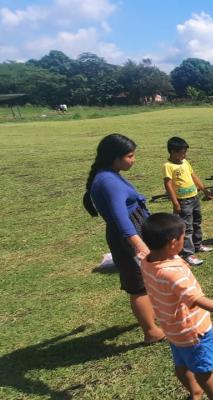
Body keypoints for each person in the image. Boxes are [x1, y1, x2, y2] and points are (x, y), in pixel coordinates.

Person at [140, 213, 213, 400]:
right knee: (204, 371)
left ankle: (194, 392)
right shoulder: (171, 274)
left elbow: (142, 251)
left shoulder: (146, 262)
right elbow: (197, 299)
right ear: (173, 243)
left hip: (172, 330)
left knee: (181, 366)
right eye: (183, 236)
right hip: (193, 332)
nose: (184, 240)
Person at [83, 133, 165, 344]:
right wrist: (138, 244)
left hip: (134, 229)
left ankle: (152, 318)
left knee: (146, 278)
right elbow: (120, 217)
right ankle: (151, 332)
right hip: (128, 235)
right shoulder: (107, 181)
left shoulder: (109, 173)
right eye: (130, 156)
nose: (133, 159)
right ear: (114, 157)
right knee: (138, 284)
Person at [163, 136, 212, 267]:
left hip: (194, 198)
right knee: (187, 228)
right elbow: (168, 185)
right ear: (173, 152)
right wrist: (175, 203)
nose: (185, 155)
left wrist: (204, 189)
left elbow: (193, 175)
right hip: (183, 202)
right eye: (182, 152)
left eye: (185, 152)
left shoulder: (185, 162)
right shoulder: (168, 166)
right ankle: (188, 254)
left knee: (197, 222)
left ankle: (198, 245)